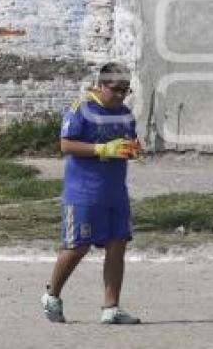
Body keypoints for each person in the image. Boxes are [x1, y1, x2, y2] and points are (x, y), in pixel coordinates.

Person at [41, 62, 143, 325]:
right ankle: (52, 295)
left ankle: (111, 307)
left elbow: (129, 142)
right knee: (77, 247)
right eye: (116, 89)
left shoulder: (126, 114)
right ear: (100, 85)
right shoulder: (81, 109)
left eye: (125, 90)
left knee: (117, 245)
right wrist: (102, 150)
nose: (121, 95)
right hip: (84, 191)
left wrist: (133, 150)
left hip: (115, 191)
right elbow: (66, 144)